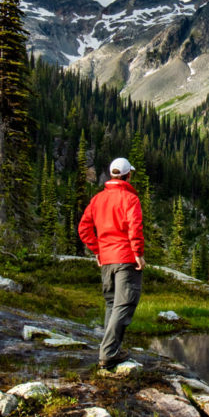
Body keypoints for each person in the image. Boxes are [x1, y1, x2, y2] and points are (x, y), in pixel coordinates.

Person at [78, 156, 146, 372]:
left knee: (111, 304)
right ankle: (109, 353)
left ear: (111, 175)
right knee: (124, 304)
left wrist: (97, 250)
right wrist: (138, 253)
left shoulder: (97, 199)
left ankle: (109, 350)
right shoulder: (130, 199)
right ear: (128, 175)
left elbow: (84, 228)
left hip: (106, 259)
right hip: (125, 258)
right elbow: (134, 227)